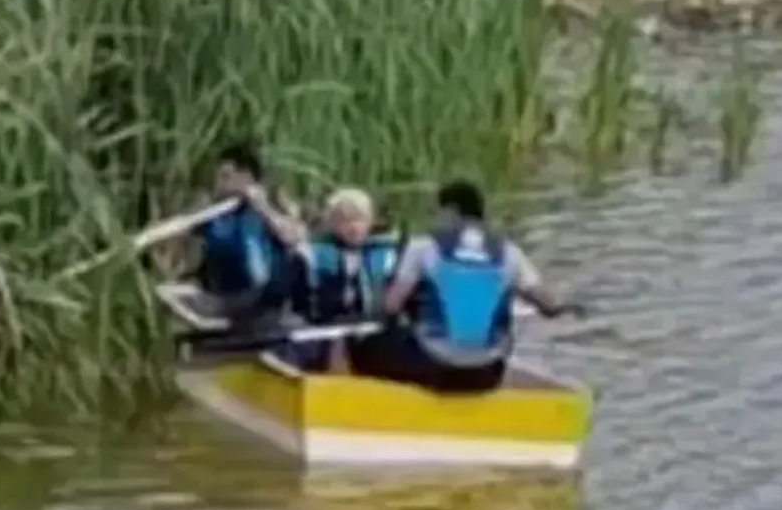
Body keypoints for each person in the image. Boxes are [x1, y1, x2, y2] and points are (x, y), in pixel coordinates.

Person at [348, 179, 582, 394]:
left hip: (437, 368)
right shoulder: (510, 252)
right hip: (488, 374)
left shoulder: (424, 247)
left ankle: (360, 401)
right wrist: (568, 307)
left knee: (360, 344)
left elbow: (390, 307)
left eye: (438, 212)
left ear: (451, 211)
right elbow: (549, 307)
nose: (435, 220)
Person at [288, 188, 400, 372]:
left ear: (370, 222)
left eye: (359, 219)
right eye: (344, 221)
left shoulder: (389, 255)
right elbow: (296, 303)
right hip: (322, 330)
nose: (353, 227)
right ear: (331, 224)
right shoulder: (310, 255)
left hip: (372, 330)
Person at [196, 143, 305, 318]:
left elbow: (294, 237)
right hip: (225, 297)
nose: (219, 184)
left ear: (246, 177)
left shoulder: (274, 202)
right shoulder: (214, 212)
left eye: (226, 176)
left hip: (266, 302)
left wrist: (263, 209)